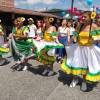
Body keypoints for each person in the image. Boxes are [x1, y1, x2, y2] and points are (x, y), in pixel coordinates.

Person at [61, 11, 100, 91]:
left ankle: (84, 82)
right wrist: (68, 44)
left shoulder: (94, 27)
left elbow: (98, 39)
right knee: (75, 63)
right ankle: (75, 79)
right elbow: (73, 37)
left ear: (90, 18)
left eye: (85, 17)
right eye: (82, 16)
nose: (83, 18)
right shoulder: (79, 25)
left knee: (85, 66)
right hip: (78, 48)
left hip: (89, 49)